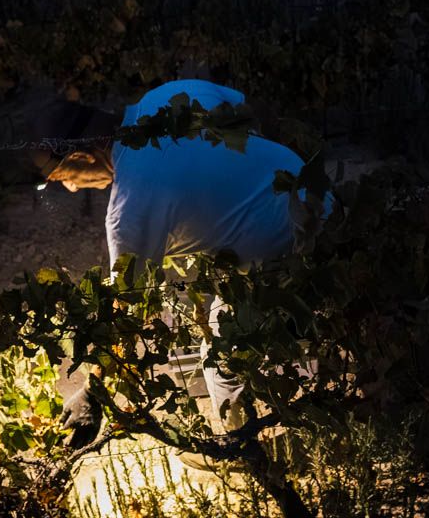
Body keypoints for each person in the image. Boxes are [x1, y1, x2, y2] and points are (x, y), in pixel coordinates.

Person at [45, 79, 331, 434]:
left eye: (62, 177)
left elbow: (126, 310)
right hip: (320, 194)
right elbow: (248, 104)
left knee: (221, 343)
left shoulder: (131, 203)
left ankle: (239, 445)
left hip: (295, 244)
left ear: (81, 157)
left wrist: (93, 392)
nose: (70, 187)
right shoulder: (165, 97)